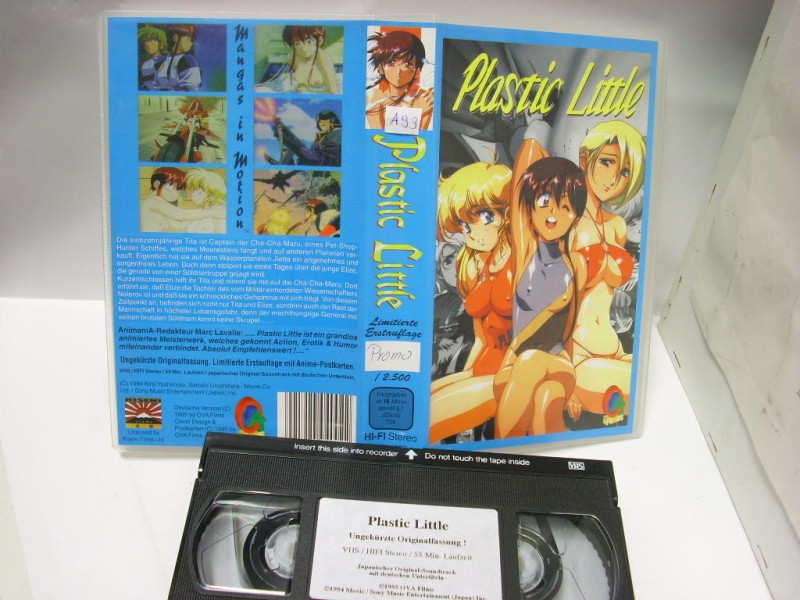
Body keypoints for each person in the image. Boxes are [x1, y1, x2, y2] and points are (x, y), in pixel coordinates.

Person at [492, 155, 588, 438]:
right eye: (545, 201)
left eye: (565, 207)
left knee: (535, 364)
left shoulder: (576, 264)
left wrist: (576, 389)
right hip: (513, 366)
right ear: (530, 206)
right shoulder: (525, 252)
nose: (552, 215)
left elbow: (571, 329)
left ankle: (501, 458)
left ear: (576, 218)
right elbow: (529, 151)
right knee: (548, 395)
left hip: (557, 363)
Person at [566, 121, 646, 426]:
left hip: (614, 347)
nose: (614, 179)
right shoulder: (566, 221)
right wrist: (562, 370)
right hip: (579, 355)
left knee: (649, 383)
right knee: (642, 390)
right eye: (607, 163)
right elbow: (552, 301)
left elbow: (607, 294)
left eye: (624, 171)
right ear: (585, 159)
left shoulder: (617, 226)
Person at [429, 161, 513, 443]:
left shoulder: (523, 259)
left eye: (485, 216)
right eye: (464, 225)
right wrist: (467, 376)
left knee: (430, 422)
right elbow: (481, 339)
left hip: (510, 374)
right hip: (484, 368)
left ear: (506, 214)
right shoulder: (480, 265)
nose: (471, 233)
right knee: (421, 409)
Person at [366, 30, 433, 130]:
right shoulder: (375, 98)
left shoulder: (424, 97)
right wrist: (419, 113)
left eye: (407, 64)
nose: (398, 71)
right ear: (381, 68)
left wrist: (423, 113)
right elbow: (377, 137)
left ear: (417, 71)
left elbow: (422, 137)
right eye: (391, 62)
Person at [258, 25, 339, 94]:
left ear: (319, 41)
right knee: (259, 90)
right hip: (301, 94)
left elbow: (334, 92)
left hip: (319, 96)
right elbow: (300, 85)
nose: (303, 48)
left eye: (309, 41)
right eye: (297, 43)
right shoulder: (293, 55)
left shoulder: (322, 56)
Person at [140, 167, 224, 233]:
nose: (175, 193)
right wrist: (212, 212)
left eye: (177, 189)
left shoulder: (162, 205)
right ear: (157, 184)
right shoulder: (154, 201)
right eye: (172, 187)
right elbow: (179, 214)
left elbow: (177, 225)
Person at [274, 110, 342, 167]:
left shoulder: (337, 132)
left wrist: (296, 146)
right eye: (319, 122)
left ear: (333, 120)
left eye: (324, 120)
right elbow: (311, 157)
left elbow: (327, 158)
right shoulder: (320, 139)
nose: (321, 123)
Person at [153, 24, 202, 91]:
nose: (191, 43)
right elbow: (155, 85)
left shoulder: (188, 60)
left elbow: (191, 87)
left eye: (192, 41)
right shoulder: (161, 60)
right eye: (188, 40)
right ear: (175, 38)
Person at [184, 169, 227, 233]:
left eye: (199, 192)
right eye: (193, 191)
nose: (194, 195)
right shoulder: (199, 211)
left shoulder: (219, 214)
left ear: (211, 196)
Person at [138, 25, 167, 90]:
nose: (148, 44)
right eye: (146, 41)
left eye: (153, 40)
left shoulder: (167, 60)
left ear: (161, 44)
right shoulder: (143, 64)